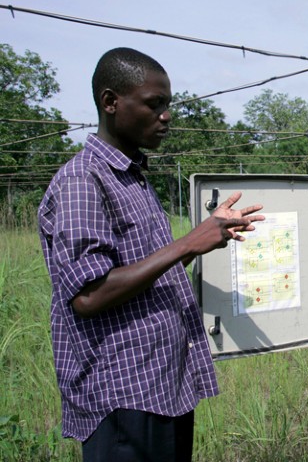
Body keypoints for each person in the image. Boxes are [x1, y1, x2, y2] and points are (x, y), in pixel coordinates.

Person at [37, 47, 263, 461]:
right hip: (124, 396)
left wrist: (205, 240)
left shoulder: (131, 178)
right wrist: (188, 242)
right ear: (111, 102)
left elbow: (142, 271)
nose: (167, 116)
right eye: (154, 104)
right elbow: (89, 296)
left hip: (162, 384)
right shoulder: (82, 181)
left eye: (168, 105)